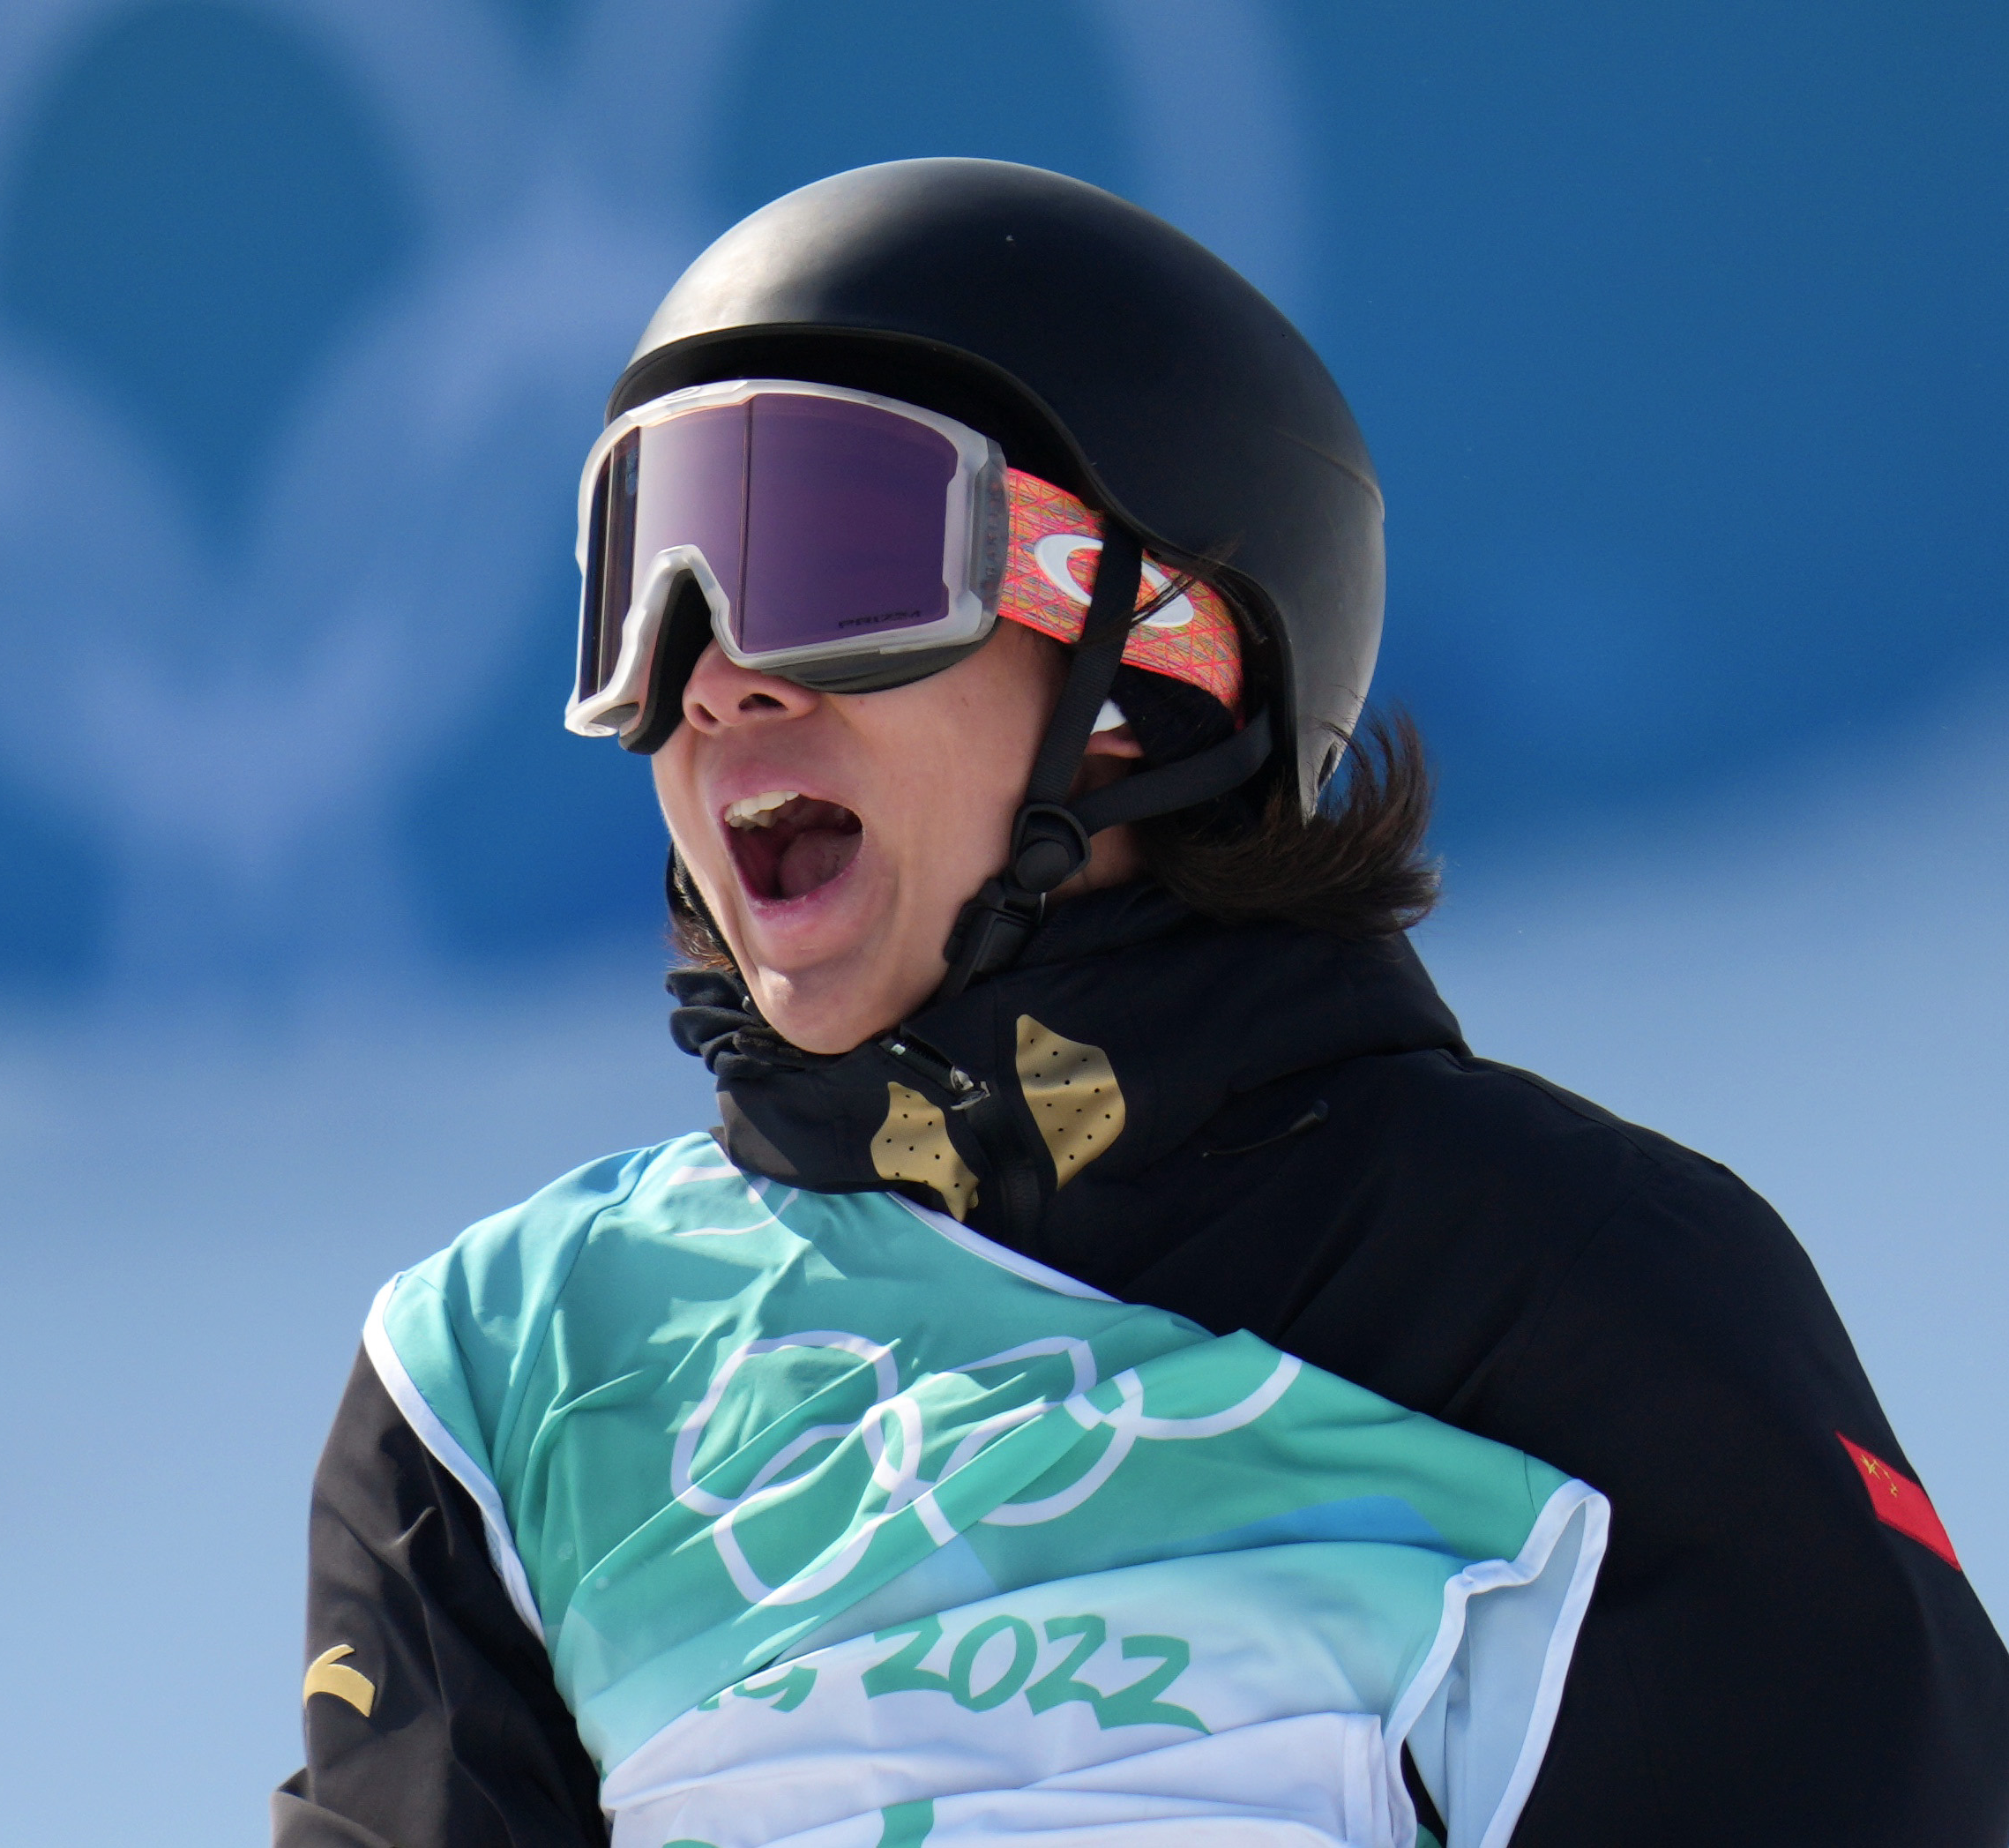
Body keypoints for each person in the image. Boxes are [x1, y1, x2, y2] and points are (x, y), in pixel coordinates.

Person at [273, 160, 2009, 1847]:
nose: (712, 673)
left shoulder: (1564, 1284)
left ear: (1153, 662)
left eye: (831, 555)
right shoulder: (502, 1373)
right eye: (643, 584)